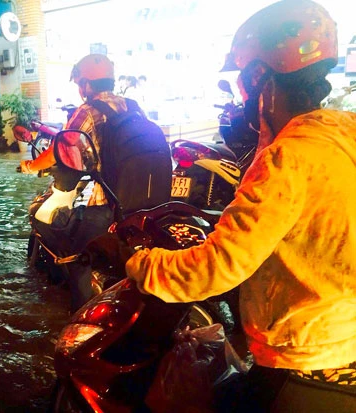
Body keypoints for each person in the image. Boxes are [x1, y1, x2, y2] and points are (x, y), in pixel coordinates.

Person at [125, 1, 356, 411]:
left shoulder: (288, 157)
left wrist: (141, 262)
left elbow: (217, 268)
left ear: (259, 78)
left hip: (307, 358)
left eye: (243, 81)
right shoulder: (345, 134)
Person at [19, 54, 139, 311]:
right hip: (137, 198)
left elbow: (59, 147)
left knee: (77, 261)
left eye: (79, 84)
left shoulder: (88, 110)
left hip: (104, 199)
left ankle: (80, 325)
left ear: (86, 84)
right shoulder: (131, 105)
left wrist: (30, 166)